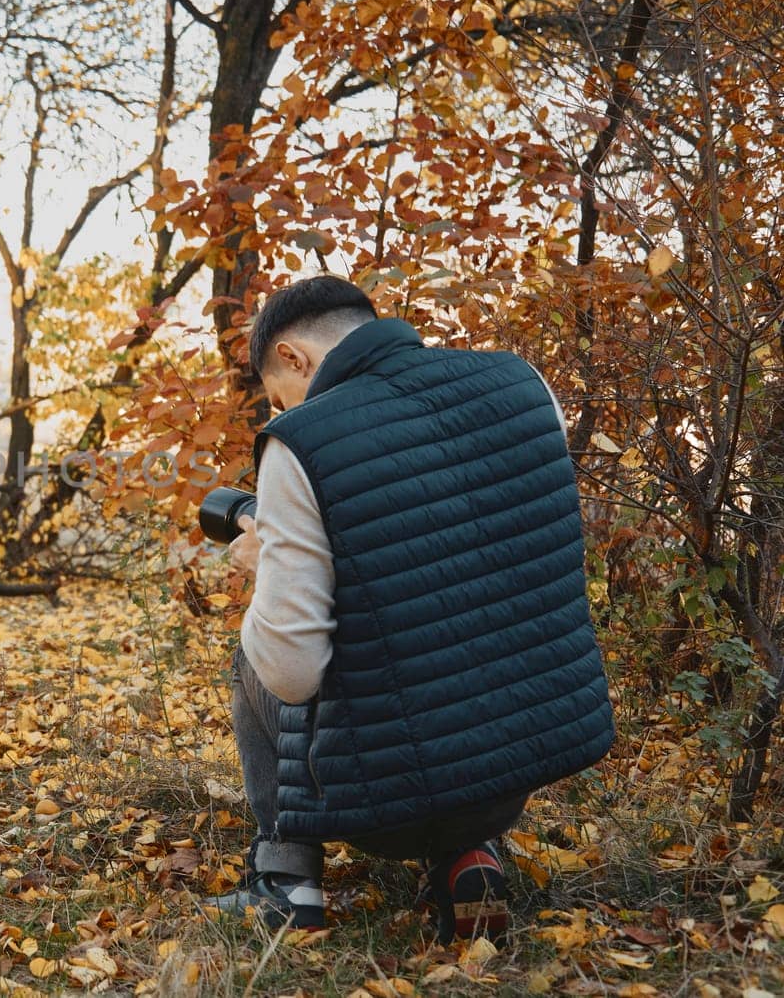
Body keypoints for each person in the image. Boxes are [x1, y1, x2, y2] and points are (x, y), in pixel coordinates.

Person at [203, 275, 614, 943]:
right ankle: (469, 854)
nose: (286, 410)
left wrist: (268, 567)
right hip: (522, 767)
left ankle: (286, 884)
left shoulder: (301, 441)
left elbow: (290, 670)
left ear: (293, 358)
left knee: (252, 662)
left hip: (384, 809)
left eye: (282, 397)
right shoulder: (521, 383)